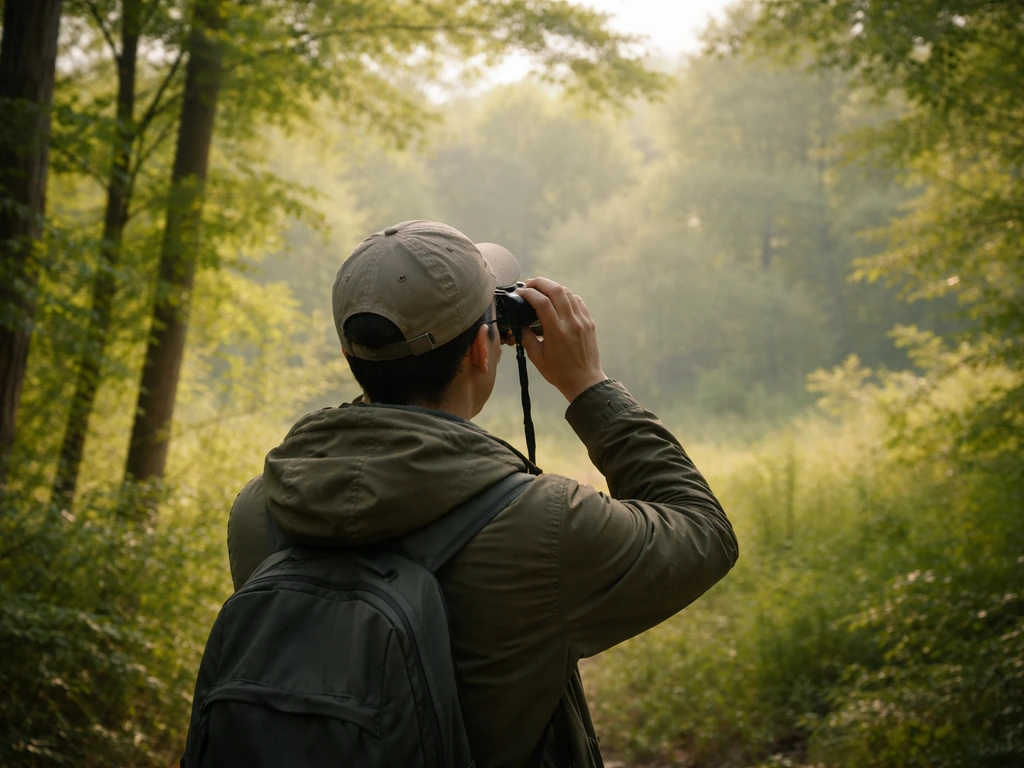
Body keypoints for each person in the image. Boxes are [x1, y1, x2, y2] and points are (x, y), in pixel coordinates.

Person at [225, 219, 739, 768]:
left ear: (354, 352)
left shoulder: (261, 511)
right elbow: (703, 531)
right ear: (480, 347)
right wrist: (589, 386)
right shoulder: (543, 526)